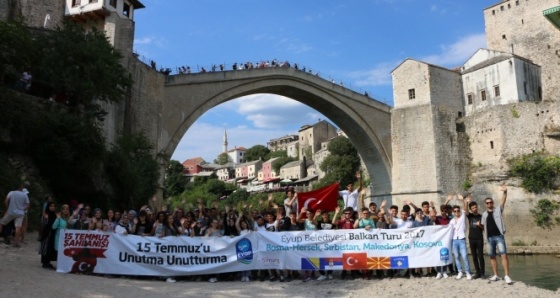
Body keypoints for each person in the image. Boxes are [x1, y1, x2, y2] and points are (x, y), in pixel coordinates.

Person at [481, 184, 512, 284]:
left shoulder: (498, 210)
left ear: (492, 203)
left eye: (490, 202)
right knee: (492, 256)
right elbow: (482, 225)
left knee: (504, 255)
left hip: (499, 236)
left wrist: (505, 192)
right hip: (489, 238)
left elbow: (503, 201)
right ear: (485, 204)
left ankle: (507, 275)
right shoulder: (484, 214)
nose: (489, 204)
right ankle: (496, 275)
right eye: (487, 203)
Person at [449, 194, 472, 280]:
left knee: (465, 256)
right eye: (455, 211)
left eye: (458, 210)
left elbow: (466, 210)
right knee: (457, 257)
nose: (456, 212)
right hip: (454, 240)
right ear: (453, 212)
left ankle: (468, 272)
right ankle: (459, 271)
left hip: (462, 239)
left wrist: (463, 200)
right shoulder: (451, 221)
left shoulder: (462, 217)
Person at [0, 182, 30, 247]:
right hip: (20, 213)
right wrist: (22, 209)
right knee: (18, 227)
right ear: (21, 188)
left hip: (11, 212)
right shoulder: (25, 195)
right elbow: (28, 205)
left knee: (1, 223)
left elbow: (5, 201)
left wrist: (8, 208)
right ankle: (16, 243)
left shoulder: (11, 193)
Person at [466, 195, 485, 279]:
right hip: (471, 238)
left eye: (475, 207)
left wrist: (480, 225)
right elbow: (466, 211)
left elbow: (484, 228)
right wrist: (466, 202)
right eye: (473, 208)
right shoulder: (470, 216)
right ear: (471, 209)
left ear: (477, 207)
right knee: (474, 256)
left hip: (479, 238)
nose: (474, 209)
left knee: (480, 256)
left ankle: (482, 272)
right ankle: (477, 272)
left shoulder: (481, 216)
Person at [39, 202, 57, 269]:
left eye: (53, 206)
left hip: (52, 235)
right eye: (51, 206)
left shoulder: (55, 215)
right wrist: (45, 218)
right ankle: (44, 262)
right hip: (46, 234)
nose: (52, 207)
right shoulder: (45, 215)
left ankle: (48, 262)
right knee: (45, 248)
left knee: (50, 248)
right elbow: (43, 224)